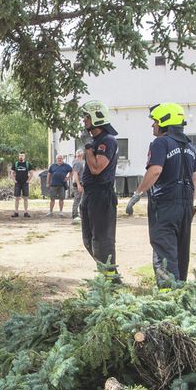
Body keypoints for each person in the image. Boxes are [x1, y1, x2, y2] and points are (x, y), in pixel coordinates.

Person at [125, 103, 196, 289]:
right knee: (181, 252)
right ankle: (181, 292)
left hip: (165, 206)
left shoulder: (160, 143)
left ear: (165, 122)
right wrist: (189, 203)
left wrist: (137, 193)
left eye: (155, 122)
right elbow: (195, 179)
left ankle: (168, 298)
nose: (153, 126)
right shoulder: (189, 146)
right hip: (185, 207)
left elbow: (155, 171)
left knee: (164, 252)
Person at [77, 99, 121, 282]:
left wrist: (88, 148)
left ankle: (111, 281)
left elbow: (96, 168)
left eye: (86, 117)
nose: (84, 121)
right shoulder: (96, 141)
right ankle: (105, 274)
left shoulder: (107, 141)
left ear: (96, 117)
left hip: (101, 195)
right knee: (89, 240)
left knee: (102, 240)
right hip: (89, 195)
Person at [10, 152, 34, 218]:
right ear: (18, 156)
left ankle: (26, 212)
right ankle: (16, 212)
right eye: (20, 155)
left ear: (24, 157)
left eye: (22, 156)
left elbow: (31, 173)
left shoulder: (27, 164)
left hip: (25, 183)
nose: (21, 157)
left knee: (25, 198)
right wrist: (14, 180)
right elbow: (11, 173)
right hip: (17, 183)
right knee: (17, 198)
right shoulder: (16, 164)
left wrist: (28, 181)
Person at [70, 148, 86, 223]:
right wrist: (79, 185)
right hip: (78, 183)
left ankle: (81, 214)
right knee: (77, 199)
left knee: (81, 199)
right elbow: (75, 174)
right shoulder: (77, 163)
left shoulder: (80, 162)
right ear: (80, 154)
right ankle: (75, 215)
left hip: (81, 183)